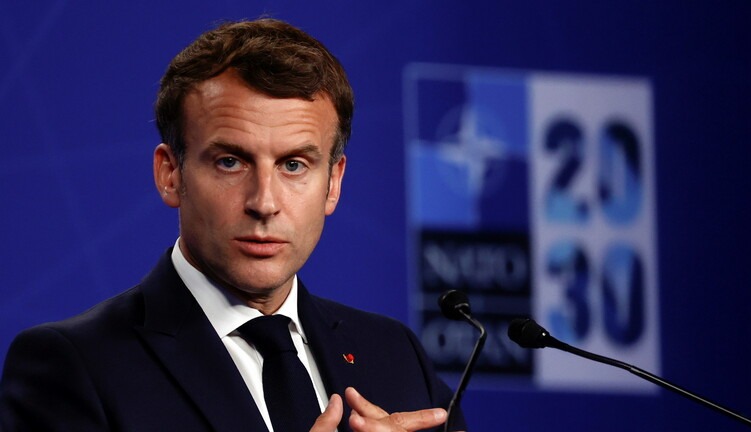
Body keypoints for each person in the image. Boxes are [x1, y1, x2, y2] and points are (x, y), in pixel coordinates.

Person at [0, 18, 465, 432]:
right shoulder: (74, 366)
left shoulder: (397, 356)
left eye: (294, 165)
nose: (264, 202)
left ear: (333, 183)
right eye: (230, 162)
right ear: (170, 174)